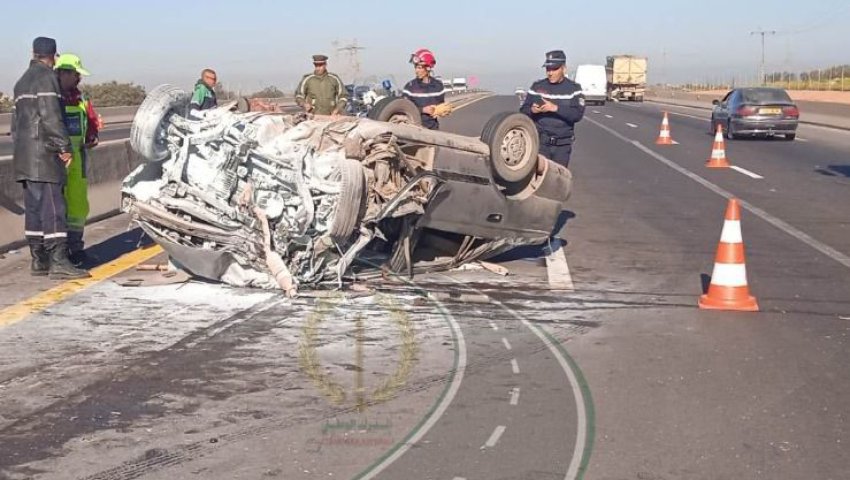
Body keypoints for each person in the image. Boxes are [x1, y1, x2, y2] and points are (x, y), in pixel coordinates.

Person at [12, 37, 90, 279]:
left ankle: (39, 260)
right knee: (54, 208)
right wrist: (63, 147)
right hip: (44, 156)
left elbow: (17, 123)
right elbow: (51, 117)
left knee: (34, 210)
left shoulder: (21, 82)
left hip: (24, 156)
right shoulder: (48, 78)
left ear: (33, 52)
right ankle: (58, 261)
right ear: (53, 56)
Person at [55, 53, 100, 265]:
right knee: (57, 206)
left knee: (78, 206)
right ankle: (59, 253)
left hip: (78, 160)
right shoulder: (52, 99)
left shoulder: (81, 99)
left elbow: (91, 122)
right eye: (75, 75)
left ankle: (76, 248)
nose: (78, 79)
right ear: (63, 73)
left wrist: (92, 136)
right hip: (58, 160)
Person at [520, 50, 585, 168]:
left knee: (557, 180)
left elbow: (577, 115)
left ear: (563, 69)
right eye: (548, 69)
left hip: (562, 145)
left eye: (554, 69)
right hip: (541, 143)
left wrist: (555, 108)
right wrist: (532, 111)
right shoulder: (537, 87)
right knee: (539, 178)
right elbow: (523, 110)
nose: (550, 73)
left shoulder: (574, 89)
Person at [402, 48, 449, 130]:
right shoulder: (409, 87)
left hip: (433, 130)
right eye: (416, 67)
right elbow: (404, 109)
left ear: (428, 68)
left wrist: (442, 111)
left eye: (419, 68)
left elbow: (441, 106)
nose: (416, 71)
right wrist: (423, 110)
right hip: (414, 130)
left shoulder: (438, 86)